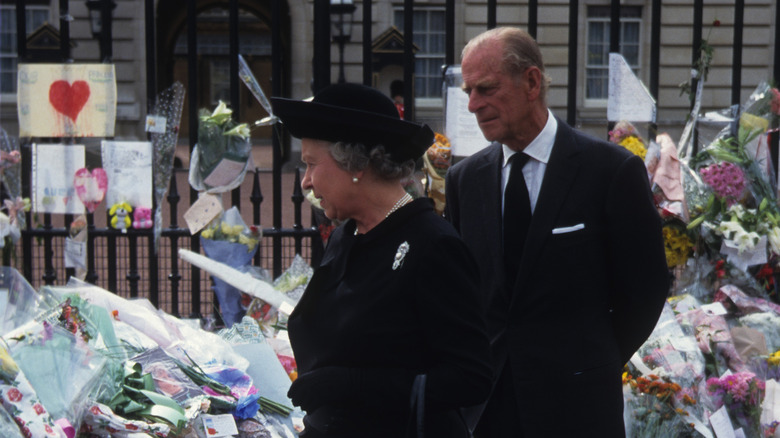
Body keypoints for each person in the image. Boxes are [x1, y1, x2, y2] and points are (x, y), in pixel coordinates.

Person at [445, 27, 670, 437]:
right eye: (469, 92)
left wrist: (591, 359)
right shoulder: (465, 180)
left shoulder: (610, 170)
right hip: (488, 408)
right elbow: (463, 292)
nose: (474, 104)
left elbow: (647, 287)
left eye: (487, 89)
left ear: (531, 82)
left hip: (579, 406)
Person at [272, 83, 493, 438]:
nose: (307, 182)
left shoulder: (433, 245)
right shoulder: (346, 235)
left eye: (312, 164)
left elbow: (470, 378)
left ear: (355, 165)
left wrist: (352, 384)